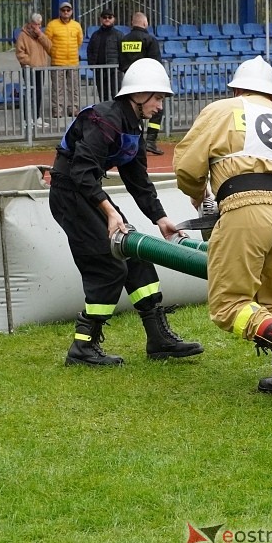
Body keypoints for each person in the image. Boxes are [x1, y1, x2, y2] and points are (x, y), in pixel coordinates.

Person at [171, 56, 272, 400]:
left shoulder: (223, 110)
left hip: (242, 207)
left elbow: (186, 165)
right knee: (267, 296)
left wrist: (203, 197)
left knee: (228, 305)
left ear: (237, 88)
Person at [48, 58, 204, 366]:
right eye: (157, 98)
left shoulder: (133, 126)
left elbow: (138, 180)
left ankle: (158, 339)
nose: (160, 106)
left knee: (135, 254)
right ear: (139, 94)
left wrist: (161, 219)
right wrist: (109, 211)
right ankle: (83, 348)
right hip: (70, 196)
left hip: (87, 194)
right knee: (108, 267)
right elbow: (81, 172)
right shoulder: (103, 119)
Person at [119, 11, 165, 154]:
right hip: (148, 82)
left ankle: (134, 142)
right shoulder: (149, 39)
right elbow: (156, 63)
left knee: (132, 112)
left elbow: (121, 64)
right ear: (145, 23)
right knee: (157, 110)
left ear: (132, 23)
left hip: (129, 83)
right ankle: (150, 141)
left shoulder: (124, 40)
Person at [45, 1, 85, 119]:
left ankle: (74, 109)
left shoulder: (76, 25)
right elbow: (47, 43)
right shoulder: (52, 25)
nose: (66, 12)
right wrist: (54, 53)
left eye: (68, 10)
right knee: (57, 88)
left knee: (73, 87)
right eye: (63, 10)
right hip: (57, 62)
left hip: (73, 62)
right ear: (60, 12)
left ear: (71, 12)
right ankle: (57, 110)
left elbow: (79, 41)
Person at [15, 12, 53, 129]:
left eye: (40, 25)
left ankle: (37, 117)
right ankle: (27, 119)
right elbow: (20, 53)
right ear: (30, 24)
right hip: (29, 69)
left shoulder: (40, 34)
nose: (38, 27)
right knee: (30, 93)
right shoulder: (23, 35)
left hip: (40, 68)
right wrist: (30, 62)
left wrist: (40, 34)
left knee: (39, 93)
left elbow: (50, 47)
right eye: (36, 24)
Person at [86, 8, 122, 103]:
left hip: (114, 71)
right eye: (104, 17)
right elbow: (89, 50)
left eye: (110, 17)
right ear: (101, 19)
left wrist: (120, 67)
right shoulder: (95, 35)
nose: (107, 19)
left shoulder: (119, 35)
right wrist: (92, 65)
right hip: (100, 71)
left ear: (114, 19)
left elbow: (123, 52)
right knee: (103, 97)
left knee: (117, 95)